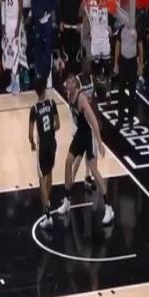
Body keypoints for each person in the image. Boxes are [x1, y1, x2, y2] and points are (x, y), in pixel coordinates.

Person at [57, 73, 114, 225]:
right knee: (68, 162)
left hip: (88, 136)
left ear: (75, 84)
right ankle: (67, 200)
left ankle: (108, 207)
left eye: (72, 82)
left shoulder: (81, 98)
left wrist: (100, 144)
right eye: (68, 82)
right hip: (79, 134)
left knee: (94, 171)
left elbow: (93, 121)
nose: (69, 84)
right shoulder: (68, 95)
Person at [29, 78, 60, 228]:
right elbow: (58, 125)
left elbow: (30, 134)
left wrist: (32, 144)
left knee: (42, 178)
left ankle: (47, 214)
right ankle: (47, 204)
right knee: (50, 173)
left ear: (36, 91)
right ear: (45, 89)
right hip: (52, 143)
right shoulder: (52, 103)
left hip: (42, 146)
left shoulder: (34, 109)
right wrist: (49, 132)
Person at [114, 20, 143, 128]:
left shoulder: (137, 30)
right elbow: (117, 45)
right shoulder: (121, 29)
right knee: (121, 92)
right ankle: (120, 119)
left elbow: (140, 47)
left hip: (132, 63)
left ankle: (131, 120)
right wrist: (116, 63)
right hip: (123, 62)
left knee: (132, 92)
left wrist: (140, 65)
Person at [87, 0, 112, 100]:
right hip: (96, 43)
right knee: (95, 69)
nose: (101, 1)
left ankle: (108, 92)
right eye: (99, 0)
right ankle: (95, 90)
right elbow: (86, 10)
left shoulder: (107, 7)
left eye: (102, 0)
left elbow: (113, 8)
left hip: (105, 42)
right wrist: (87, 2)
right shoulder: (92, 7)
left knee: (107, 69)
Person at [31, 0, 57, 83]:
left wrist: (51, 19)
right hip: (38, 22)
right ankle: (38, 74)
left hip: (47, 22)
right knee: (38, 49)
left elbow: (54, 4)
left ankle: (47, 75)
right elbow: (33, 3)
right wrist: (36, 15)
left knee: (47, 50)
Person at [1, 0, 24, 94]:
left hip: (15, 21)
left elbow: (21, 7)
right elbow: (3, 5)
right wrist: (3, 24)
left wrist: (18, 26)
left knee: (16, 51)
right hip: (7, 20)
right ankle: (12, 80)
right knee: (8, 53)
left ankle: (17, 82)